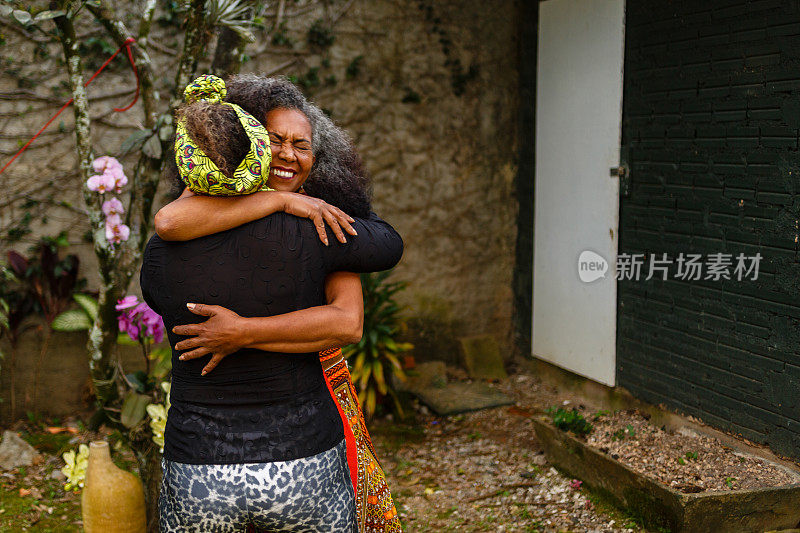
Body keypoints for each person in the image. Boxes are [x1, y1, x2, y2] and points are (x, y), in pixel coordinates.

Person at [142, 75, 401, 532]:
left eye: (302, 145)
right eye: (275, 140)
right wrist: (281, 204)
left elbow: (166, 222)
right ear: (244, 139)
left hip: (198, 470)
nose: (287, 153)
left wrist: (242, 332)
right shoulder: (319, 232)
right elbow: (383, 249)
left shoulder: (321, 223)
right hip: (305, 465)